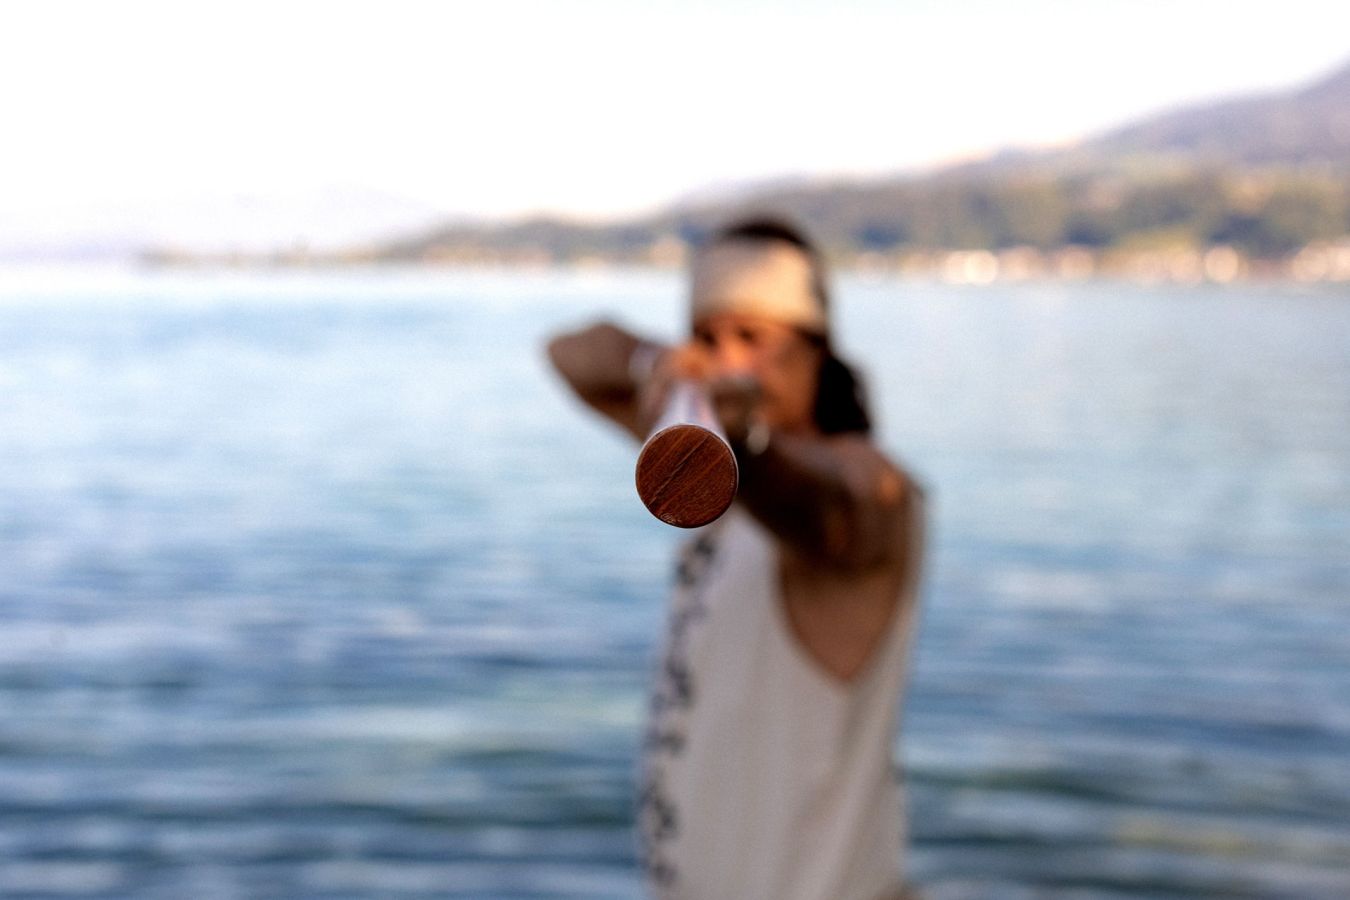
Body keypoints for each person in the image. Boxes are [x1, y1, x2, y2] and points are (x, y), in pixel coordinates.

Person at [547, 217, 926, 900]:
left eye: (754, 338)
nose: (728, 362)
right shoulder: (705, 449)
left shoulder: (864, 486)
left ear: (817, 350)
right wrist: (655, 366)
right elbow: (570, 352)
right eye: (708, 338)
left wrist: (747, 443)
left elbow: (841, 510)